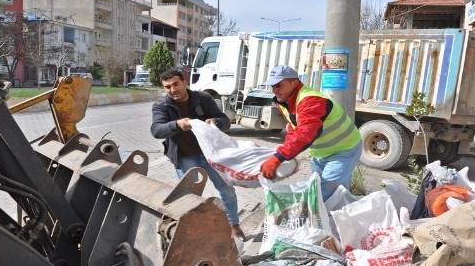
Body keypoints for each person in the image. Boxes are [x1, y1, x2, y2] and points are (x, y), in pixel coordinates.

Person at [150, 70, 245, 240]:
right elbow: (157, 130)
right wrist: (177, 124)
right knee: (190, 197)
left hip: (211, 156)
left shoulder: (203, 99)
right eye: (167, 87)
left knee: (226, 190)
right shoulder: (161, 106)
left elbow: (225, 120)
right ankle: (196, 233)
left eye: (176, 84)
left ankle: (234, 226)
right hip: (185, 158)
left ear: (185, 82)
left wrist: (216, 122)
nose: (173, 90)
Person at [260, 65, 363, 201]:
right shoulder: (284, 101)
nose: (275, 90)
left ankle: (332, 220)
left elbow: (304, 134)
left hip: (343, 150)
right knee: (322, 191)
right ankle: (333, 217)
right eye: (272, 86)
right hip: (319, 154)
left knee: (327, 194)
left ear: (294, 82)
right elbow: (294, 128)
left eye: (278, 85)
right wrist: (288, 151)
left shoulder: (310, 100)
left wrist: (278, 157)